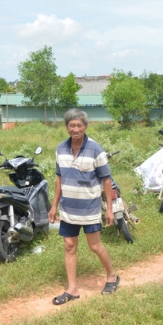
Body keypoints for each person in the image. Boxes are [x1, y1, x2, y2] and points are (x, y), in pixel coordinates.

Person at [48, 108, 119, 305]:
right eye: (72, 125)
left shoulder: (96, 149)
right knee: (69, 246)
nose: (76, 129)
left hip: (89, 208)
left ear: (86, 126)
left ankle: (112, 275)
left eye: (79, 125)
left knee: (94, 245)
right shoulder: (61, 149)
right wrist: (54, 206)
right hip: (68, 208)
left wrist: (110, 209)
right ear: (67, 127)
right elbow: (59, 178)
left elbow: (106, 180)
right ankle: (72, 289)